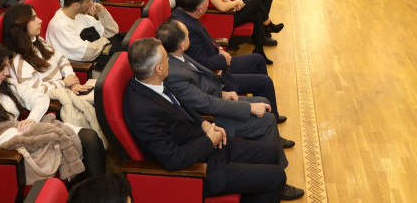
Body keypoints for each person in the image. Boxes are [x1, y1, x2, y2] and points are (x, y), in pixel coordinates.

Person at [123, 38, 291, 203]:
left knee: (272, 153)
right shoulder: (143, 112)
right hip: (201, 168)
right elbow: (173, 159)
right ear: (158, 69)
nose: (170, 62)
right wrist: (209, 141)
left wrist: (205, 124)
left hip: (209, 144)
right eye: (167, 59)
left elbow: (182, 104)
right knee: (276, 178)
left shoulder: (149, 81)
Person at [0, 41, 105, 178]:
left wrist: (31, 119)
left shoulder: (5, 84)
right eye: (1, 69)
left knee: (90, 137)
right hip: (15, 152)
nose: (7, 72)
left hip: (27, 133)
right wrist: (18, 132)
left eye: (7, 66)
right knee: (87, 142)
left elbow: (40, 98)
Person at [157, 21, 296, 163]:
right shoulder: (173, 73)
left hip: (216, 99)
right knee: (267, 120)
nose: (189, 39)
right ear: (181, 45)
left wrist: (223, 93)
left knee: (264, 102)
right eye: (187, 36)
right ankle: (277, 172)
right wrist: (249, 108)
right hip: (213, 117)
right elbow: (206, 104)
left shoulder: (176, 54)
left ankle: (264, 150)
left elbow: (201, 85)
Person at [3, 3, 96, 103]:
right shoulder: (19, 61)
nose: (40, 21)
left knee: (104, 90)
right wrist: (64, 83)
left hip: (67, 91)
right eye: (33, 18)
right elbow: (34, 90)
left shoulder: (38, 41)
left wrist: (72, 81)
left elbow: (61, 59)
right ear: (21, 26)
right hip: (56, 102)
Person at [46, 0, 120, 63]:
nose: (91, 3)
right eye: (88, 1)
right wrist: (104, 40)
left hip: (102, 55)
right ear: (76, 5)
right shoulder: (60, 25)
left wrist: (101, 10)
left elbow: (112, 32)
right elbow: (87, 53)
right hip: (90, 66)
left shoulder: (79, 15)